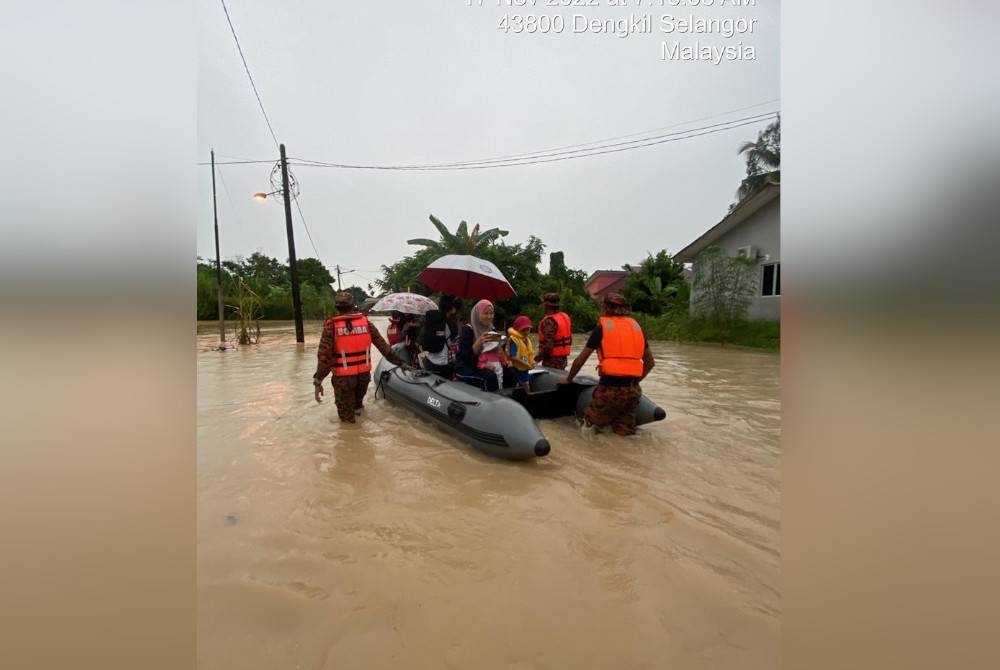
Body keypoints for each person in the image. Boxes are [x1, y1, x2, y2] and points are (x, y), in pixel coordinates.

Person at [559, 292, 655, 436]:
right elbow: (650, 363)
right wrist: (633, 383)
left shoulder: (602, 328)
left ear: (605, 308)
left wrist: (568, 379)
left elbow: (581, 360)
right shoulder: (636, 328)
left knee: (588, 429)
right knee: (624, 434)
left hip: (610, 390)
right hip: (633, 392)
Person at [313, 291, 409, 423]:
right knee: (358, 408)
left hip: (343, 381)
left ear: (336, 307)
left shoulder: (331, 326)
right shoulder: (366, 323)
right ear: (353, 306)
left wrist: (318, 380)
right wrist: (402, 363)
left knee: (347, 421)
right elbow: (384, 348)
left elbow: (324, 358)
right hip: (363, 377)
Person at [455, 299, 517, 392]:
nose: (489, 316)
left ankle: (510, 400)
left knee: (510, 373)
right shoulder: (468, 330)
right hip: (469, 367)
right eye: (485, 313)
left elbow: (498, 354)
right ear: (477, 314)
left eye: (491, 313)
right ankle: (493, 402)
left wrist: (499, 349)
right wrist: (477, 344)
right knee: (490, 376)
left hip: (489, 362)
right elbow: (462, 358)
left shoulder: (492, 329)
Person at [419, 295, 461, 378]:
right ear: (452, 308)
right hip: (441, 364)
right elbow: (453, 342)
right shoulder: (446, 322)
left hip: (431, 361)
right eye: (456, 307)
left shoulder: (433, 319)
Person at [536, 292, 572, 369]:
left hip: (552, 361)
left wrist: (535, 360)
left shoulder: (549, 321)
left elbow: (548, 346)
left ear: (546, 306)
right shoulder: (564, 317)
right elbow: (570, 339)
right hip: (563, 359)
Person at [504, 315, 536, 391]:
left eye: (528, 329)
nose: (526, 332)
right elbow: (512, 356)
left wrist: (532, 363)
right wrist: (526, 364)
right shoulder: (514, 340)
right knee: (525, 385)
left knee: (525, 383)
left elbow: (529, 353)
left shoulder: (526, 339)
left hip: (524, 367)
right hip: (516, 368)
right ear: (517, 330)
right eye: (523, 330)